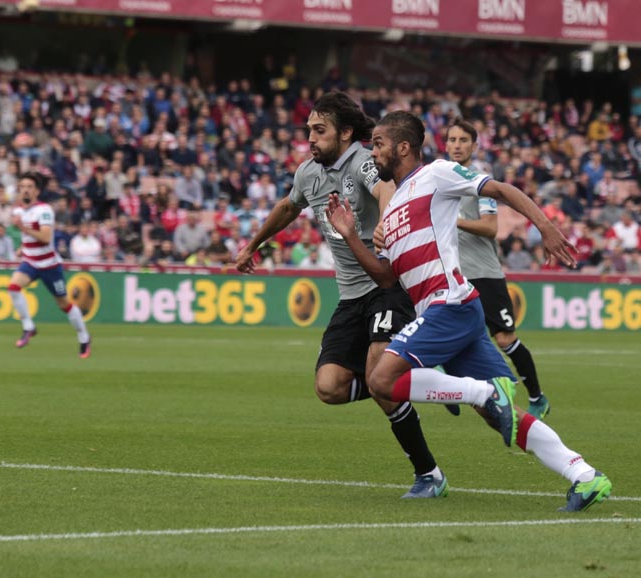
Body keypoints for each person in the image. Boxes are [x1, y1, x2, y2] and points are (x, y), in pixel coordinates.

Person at [326, 110, 611, 511]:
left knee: (382, 381)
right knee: (501, 417)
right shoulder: (390, 212)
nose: (372, 153)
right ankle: (585, 476)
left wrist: (545, 227)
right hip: (449, 313)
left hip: (451, 305)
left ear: (403, 147)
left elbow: (502, 191)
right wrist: (351, 236)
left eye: (378, 144)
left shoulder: (437, 174)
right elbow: (386, 278)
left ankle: (479, 392)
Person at [236, 91, 447, 499]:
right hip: (351, 296)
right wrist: (252, 245)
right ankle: (408, 377)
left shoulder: (362, 161)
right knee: (329, 387)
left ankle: (429, 475)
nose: (311, 139)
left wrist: (387, 220)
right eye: (309, 131)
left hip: (387, 285)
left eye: (320, 131)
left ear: (346, 133)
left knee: (376, 371)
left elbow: (385, 188)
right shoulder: (308, 173)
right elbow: (287, 207)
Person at [446, 118, 550, 419]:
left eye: (463, 140)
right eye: (452, 139)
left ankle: (537, 397)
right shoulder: (439, 178)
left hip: (484, 272)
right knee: (443, 329)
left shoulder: (481, 181)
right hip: (454, 272)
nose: (456, 145)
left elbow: (491, 228)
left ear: (474, 146)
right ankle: (447, 389)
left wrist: (454, 222)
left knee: (504, 338)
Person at [8, 172, 91, 359]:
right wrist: (23, 247)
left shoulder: (44, 210)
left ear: (36, 191)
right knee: (13, 287)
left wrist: (22, 228)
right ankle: (29, 327)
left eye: (29, 186)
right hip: (30, 262)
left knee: (64, 304)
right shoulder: (18, 210)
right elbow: (29, 235)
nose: (25, 190)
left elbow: (45, 238)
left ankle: (84, 336)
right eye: (22, 186)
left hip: (49, 265)